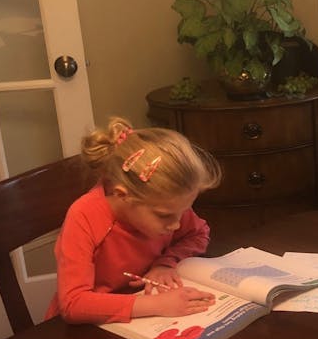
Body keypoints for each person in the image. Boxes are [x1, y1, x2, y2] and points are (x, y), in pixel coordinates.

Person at [46, 116, 223, 324]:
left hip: (141, 318)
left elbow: (198, 233)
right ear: (123, 195)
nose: (176, 224)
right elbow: (73, 304)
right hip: (84, 331)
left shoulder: (168, 204)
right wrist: (157, 305)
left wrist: (165, 263)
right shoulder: (83, 216)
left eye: (183, 211)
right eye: (164, 215)